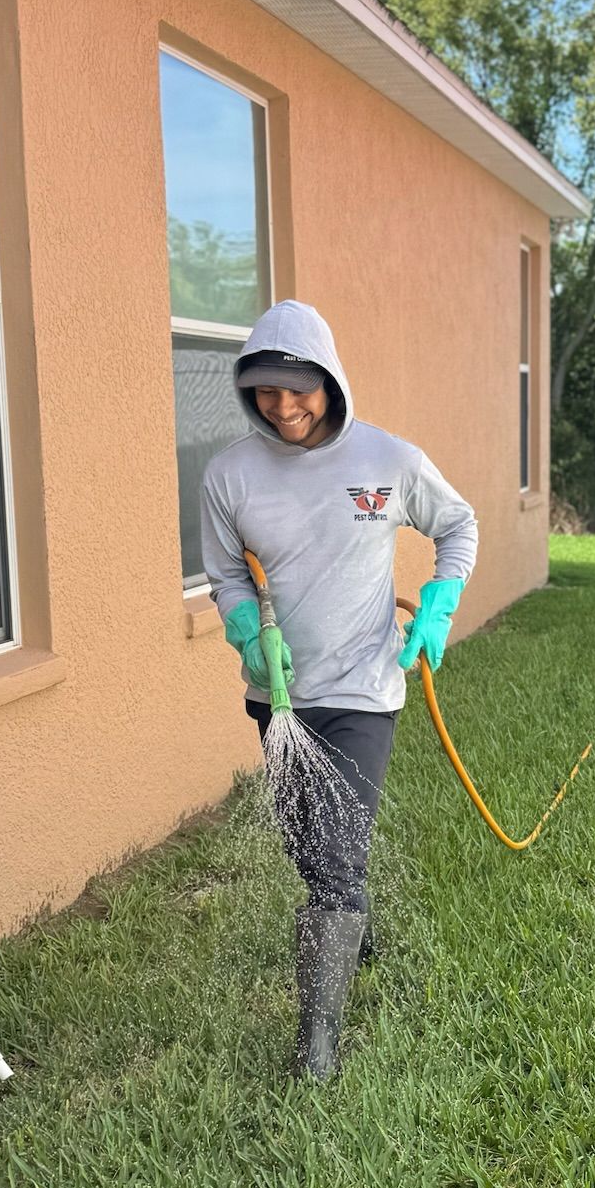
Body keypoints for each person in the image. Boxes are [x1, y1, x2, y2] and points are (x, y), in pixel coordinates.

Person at [200, 299, 477, 1080]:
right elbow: (223, 573)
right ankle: (355, 915)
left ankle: (316, 1037)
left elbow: (458, 525)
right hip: (278, 696)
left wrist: (439, 602)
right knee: (310, 845)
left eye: (299, 391)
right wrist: (248, 631)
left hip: (362, 688)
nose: (283, 409)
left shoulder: (388, 461)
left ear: (328, 380)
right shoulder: (230, 475)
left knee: (329, 855)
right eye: (266, 393)